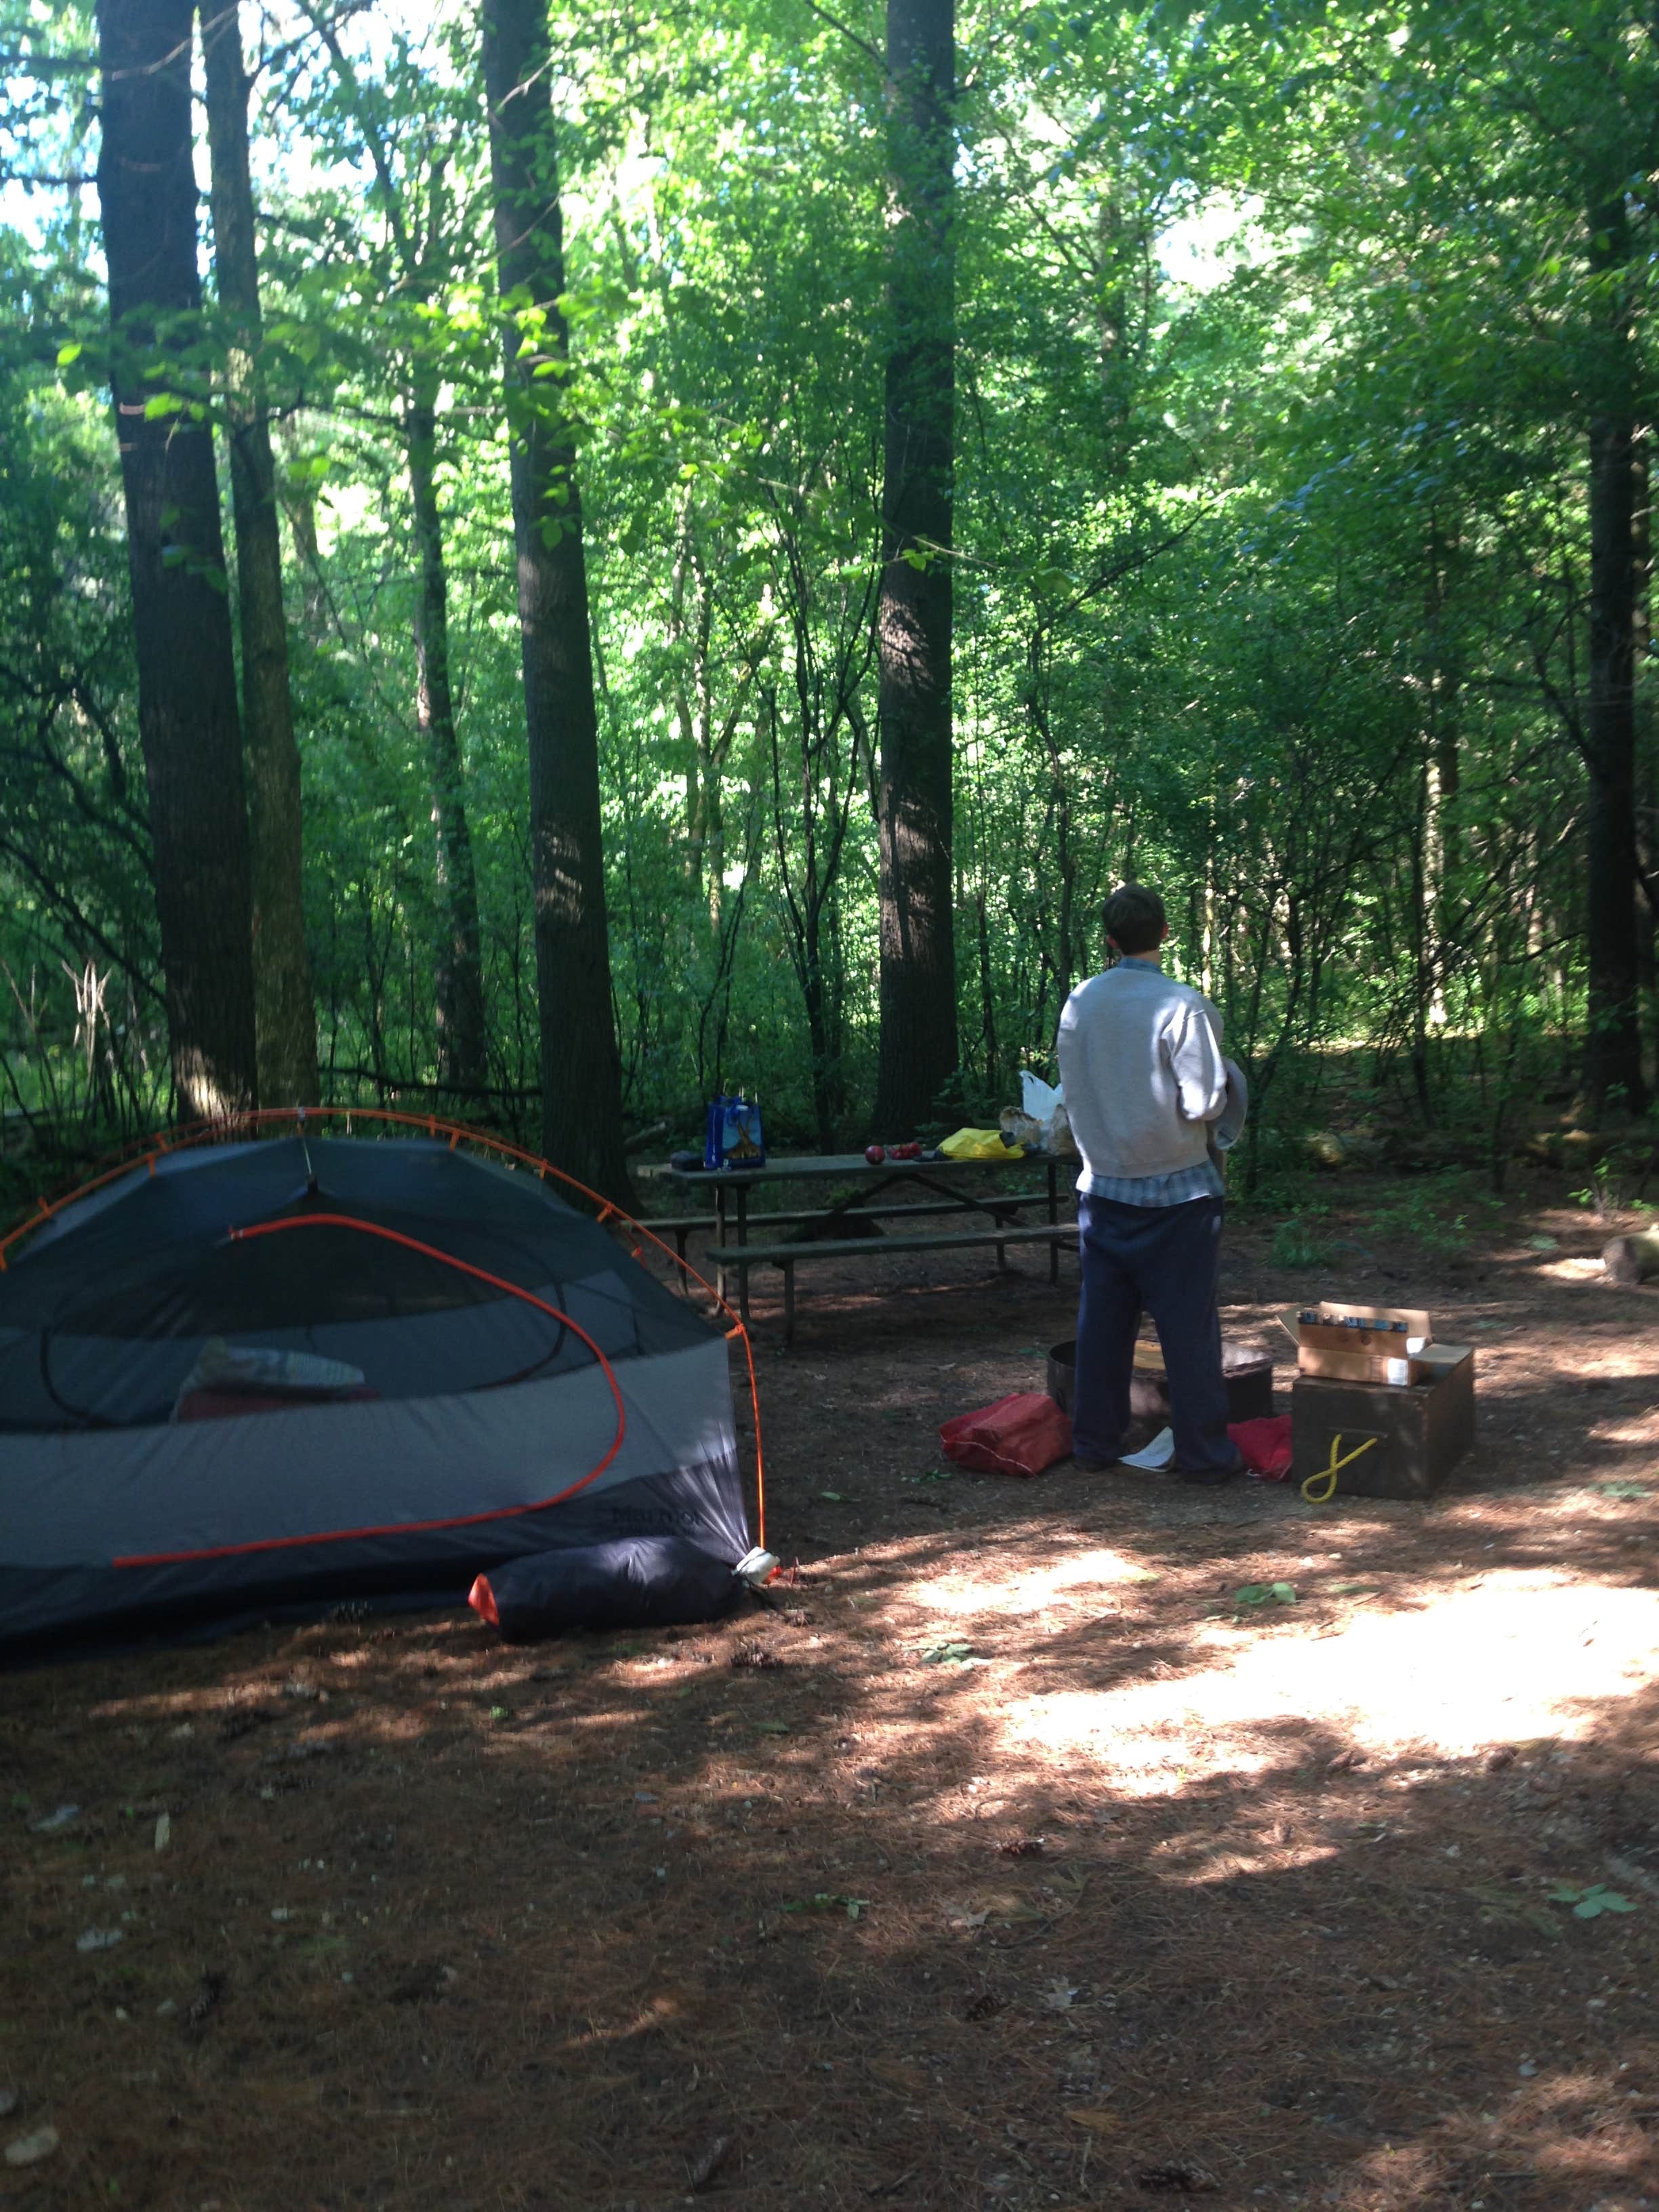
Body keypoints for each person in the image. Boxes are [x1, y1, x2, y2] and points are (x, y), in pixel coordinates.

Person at [1054, 882, 1247, 1484]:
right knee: (1188, 1330)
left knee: (1103, 1325)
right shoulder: (1181, 1005)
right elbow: (1204, 1100)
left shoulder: (1080, 1004)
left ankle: (1093, 1442)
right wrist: (1233, 1081)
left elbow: (1076, 1089)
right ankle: (1204, 1456)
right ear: (1164, 933)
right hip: (1179, 1195)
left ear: (1109, 940)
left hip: (1104, 1190)